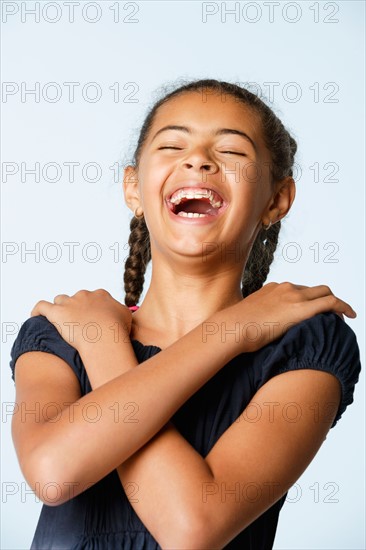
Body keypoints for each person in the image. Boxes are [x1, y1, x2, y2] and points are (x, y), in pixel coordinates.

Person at [9, 79, 361, 549]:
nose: (197, 160)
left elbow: (191, 528)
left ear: (277, 200)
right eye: (173, 144)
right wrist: (231, 330)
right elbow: (53, 474)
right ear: (134, 189)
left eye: (233, 152)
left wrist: (106, 346)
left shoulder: (306, 345)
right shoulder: (62, 333)